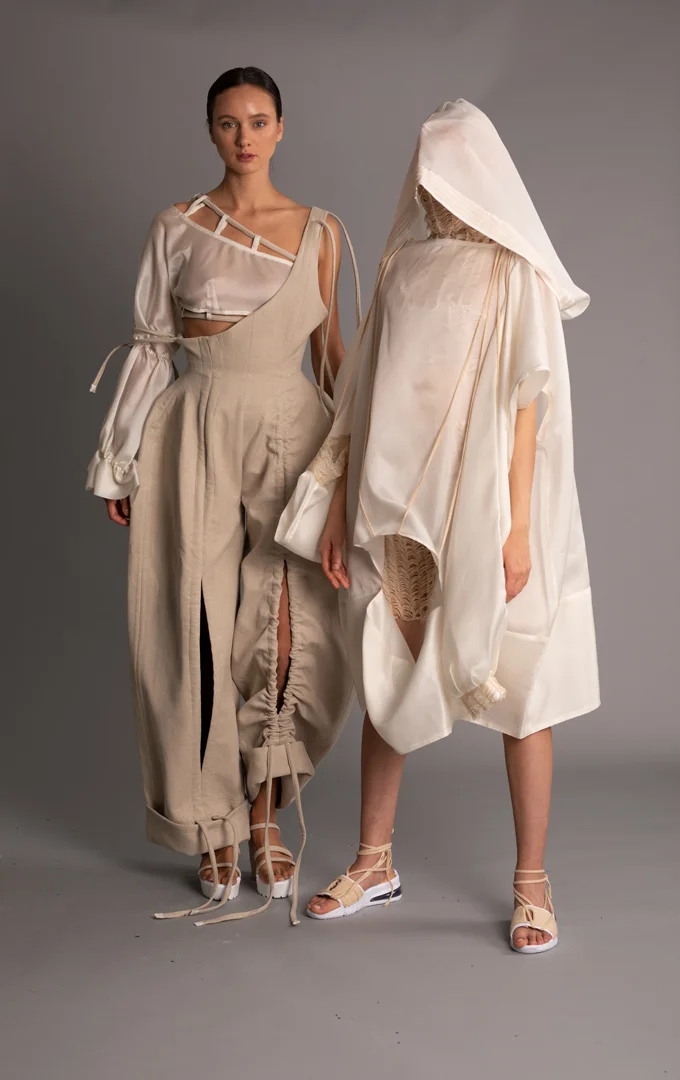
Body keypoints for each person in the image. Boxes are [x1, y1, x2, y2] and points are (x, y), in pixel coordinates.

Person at [276, 99, 599, 952]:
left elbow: (528, 404)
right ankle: (373, 860)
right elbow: (358, 398)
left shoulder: (513, 272)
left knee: (518, 682)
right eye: (424, 170)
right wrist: (337, 505)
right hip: (397, 505)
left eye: (447, 168)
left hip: (486, 506)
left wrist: (517, 528)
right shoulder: (403, 266)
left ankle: (532, 883)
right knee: (390, 667)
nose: (431, 186)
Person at [87, 66, 361, 926]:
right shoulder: (176, 226)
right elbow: (150, 346)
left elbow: (333, 358)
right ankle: (212, 824)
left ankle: (265, 816)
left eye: (259, 120)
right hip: (193, 428)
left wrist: (355, 469)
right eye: (228, 122)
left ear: (282, 128)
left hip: (293, 429)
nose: (245, 136)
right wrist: (119, 459)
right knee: (193, 623)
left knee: (285, 621)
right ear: (210, 130)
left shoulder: (322, 231)